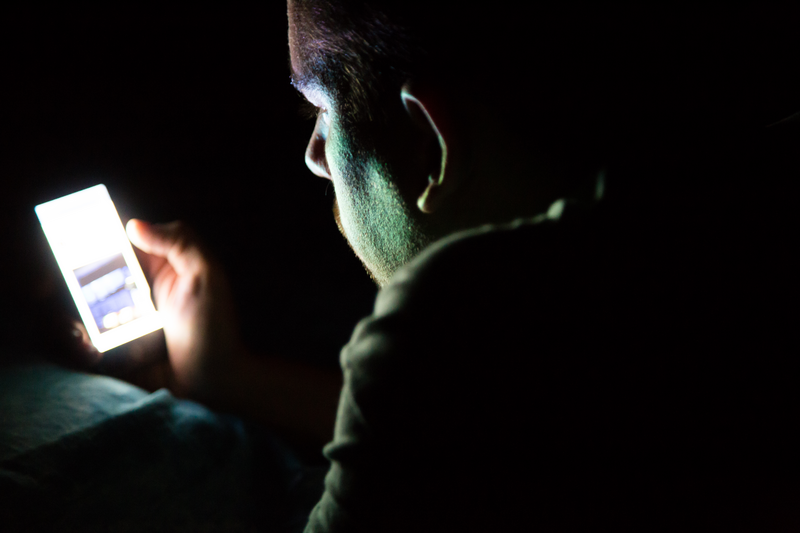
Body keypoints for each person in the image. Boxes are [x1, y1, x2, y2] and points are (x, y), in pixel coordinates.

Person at [2, 2, 798, 531]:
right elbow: (475, 428)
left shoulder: (452, 319)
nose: (314, 155)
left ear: (428, 142)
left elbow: (446, 386)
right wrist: (233, 376)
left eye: (323, 108)